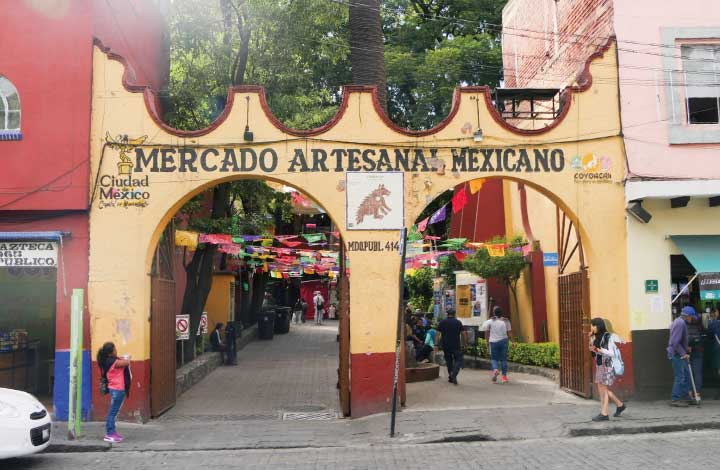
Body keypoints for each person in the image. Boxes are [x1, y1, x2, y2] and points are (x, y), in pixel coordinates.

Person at [588, 318, 625, 421]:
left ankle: (604, 414)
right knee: (602, 390)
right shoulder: (597, 337)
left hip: (607, 366)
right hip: (600, 366)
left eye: (593, 325)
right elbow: (593, 354)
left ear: (598, 326)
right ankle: (619, 405)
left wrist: (600, 350)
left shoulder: (607, 336)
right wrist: (591, 340)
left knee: (603, 391)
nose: (591, 327)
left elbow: (612, 353)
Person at [97, 342, 130, 443]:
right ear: (111, 353)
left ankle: (112, 432)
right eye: (115, 349)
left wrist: (119, 357)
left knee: (113, 412)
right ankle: (110, 433)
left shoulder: (108, 361)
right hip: (117, 390)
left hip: (114, 388)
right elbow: (126, 362)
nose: (116, 350)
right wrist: (127, 358)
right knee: (113, 412)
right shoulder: (113, 362)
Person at [667, 307, 694, 407]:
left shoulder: (679, 322)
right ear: (687, 316)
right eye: (691, 317)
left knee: (686, 375)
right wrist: (683, 354)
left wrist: (686, 348)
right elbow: (675, 342)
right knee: (680, 377)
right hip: (676, 354)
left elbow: (678, 340)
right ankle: (675, 399)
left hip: (679, 353)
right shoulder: (680, 323)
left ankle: (686, 397)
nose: (692, 319)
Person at [481, 306, 512, 384]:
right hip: (504, 341)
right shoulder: (506, 321)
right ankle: (504, 377)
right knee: (503, 359)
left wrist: (487, 342)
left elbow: (486, 332)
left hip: (493, 342)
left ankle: (495, 370)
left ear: (494, 313)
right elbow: (509, 332)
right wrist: (513, 341)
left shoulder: (490, 321)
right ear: (501, 313)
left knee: (494, 358)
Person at [437, 309, 466, 385]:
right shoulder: (458, 322)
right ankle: (454, 373)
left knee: (449, 361)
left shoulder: (442, 322)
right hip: (456, 345)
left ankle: (451, 376)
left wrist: (435, 344)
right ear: (454, 314)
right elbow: (463, 334)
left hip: (445, 345)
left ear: (447, 314)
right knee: (459, 359)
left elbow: (437, 334)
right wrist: (465, 344)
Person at [686, 309, 705, 401]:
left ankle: (691, 393)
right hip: (698, 350)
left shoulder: (684, 324)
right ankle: (697, 393)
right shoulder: (699, 324)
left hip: (690, 351)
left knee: (690, 373)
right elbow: (705, 335)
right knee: (697, 373)